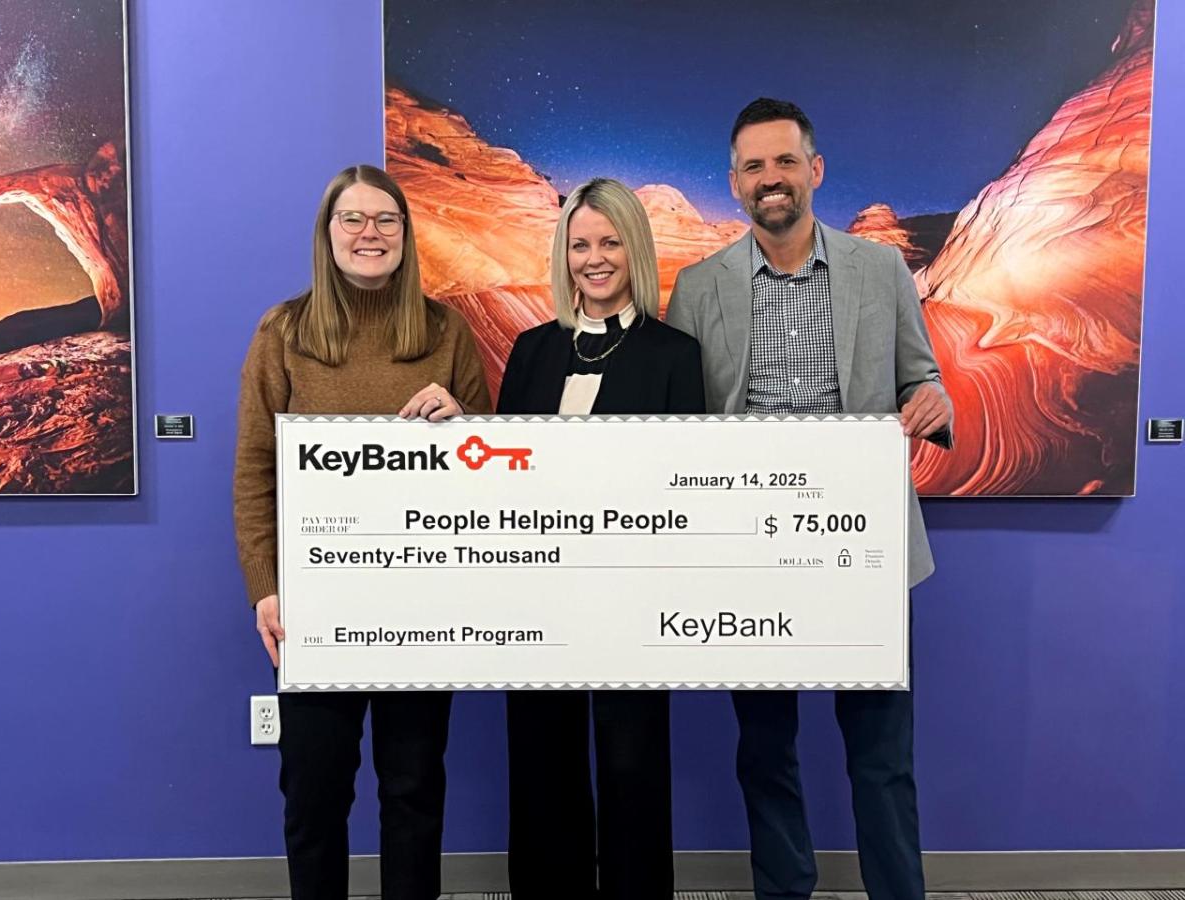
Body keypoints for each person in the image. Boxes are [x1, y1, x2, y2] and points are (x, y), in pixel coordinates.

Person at [666, 99, 954, 900]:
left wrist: (936, 405)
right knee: (765, 750)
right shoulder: (697, 287)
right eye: (754, 166)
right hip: (749, 560)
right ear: (734, 183)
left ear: (815, 171)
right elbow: (679, 423)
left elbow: (921, 376)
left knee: (882, 757)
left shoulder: (880, 269)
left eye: (785, 162)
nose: (771, 179)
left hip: (863, 556)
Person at [233, 164, 491, 900]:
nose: (369, 234)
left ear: (407, 236)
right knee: (314, 796)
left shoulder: (446, 331)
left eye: (385, 220)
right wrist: (266, 591)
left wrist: (466, 423)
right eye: (352, 219)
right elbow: (255, 470)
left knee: (413, 792)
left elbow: (494, 469)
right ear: (327, 234)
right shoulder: (283, 331)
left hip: (421, 603)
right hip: (317, 606)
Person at [498, 177, 704, 899]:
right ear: (564, 254)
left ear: (635, 250)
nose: (595, 258)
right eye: (581, 244)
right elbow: (503, 481)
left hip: (632, 602)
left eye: (610, 241)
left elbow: (686, 488)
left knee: (632, 771)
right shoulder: (529, 353)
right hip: (539, 603)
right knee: (542, 767)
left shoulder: (675, 356)